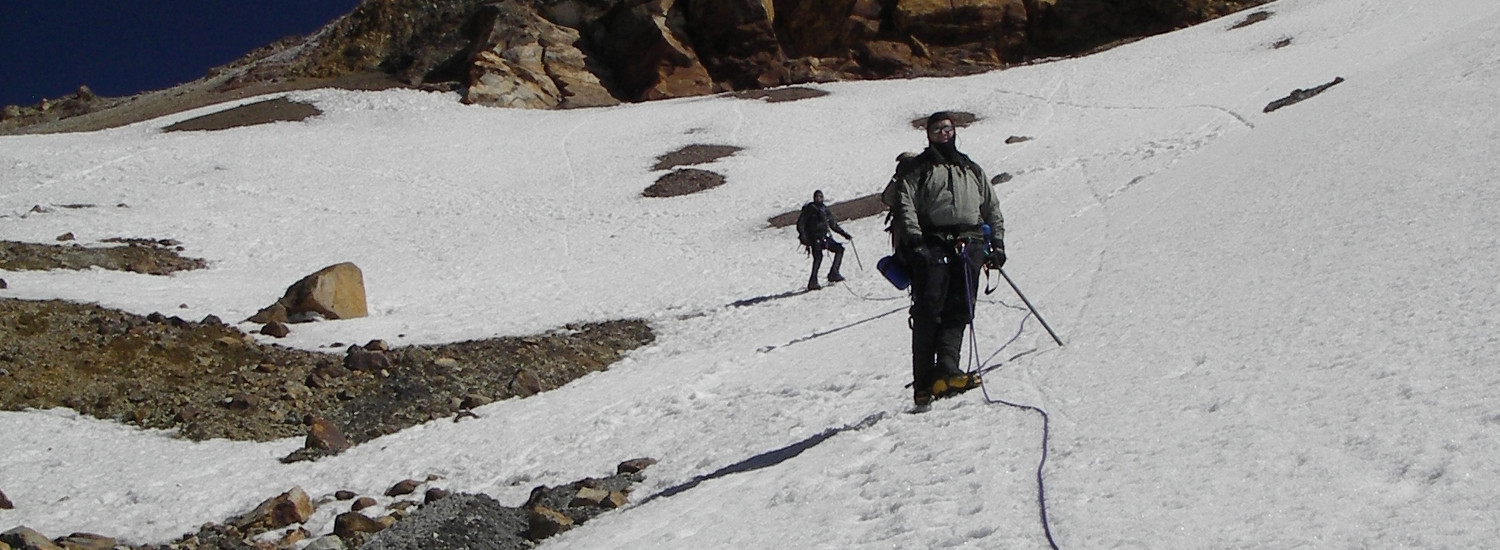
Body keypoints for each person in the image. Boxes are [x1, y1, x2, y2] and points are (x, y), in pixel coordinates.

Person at [890, 111, 1006, 407]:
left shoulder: (970, 167)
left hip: (970, 243)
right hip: (932, 244)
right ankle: (924, 383)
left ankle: (948, 370)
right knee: (929, 310)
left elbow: (991, 205)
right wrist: (915, 239)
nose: (944, 132)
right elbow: (904, 202)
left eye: (948, 128)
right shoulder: (919, 168)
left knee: (961, 307)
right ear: (928, 134)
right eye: (938, 128)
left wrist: (998, 243)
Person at [797, 189, 853, 291]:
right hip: (814, 238)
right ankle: (813, 282)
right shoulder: (810, 209)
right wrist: (803, 236)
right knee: (818, 258)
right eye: (816, 197)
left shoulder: (824, 209)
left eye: (820, 196)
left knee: (840, 249)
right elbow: (800, 223)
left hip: (824, 237)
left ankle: (834, 273)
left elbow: (833, 225)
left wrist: (845, 234)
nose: (818, 198)